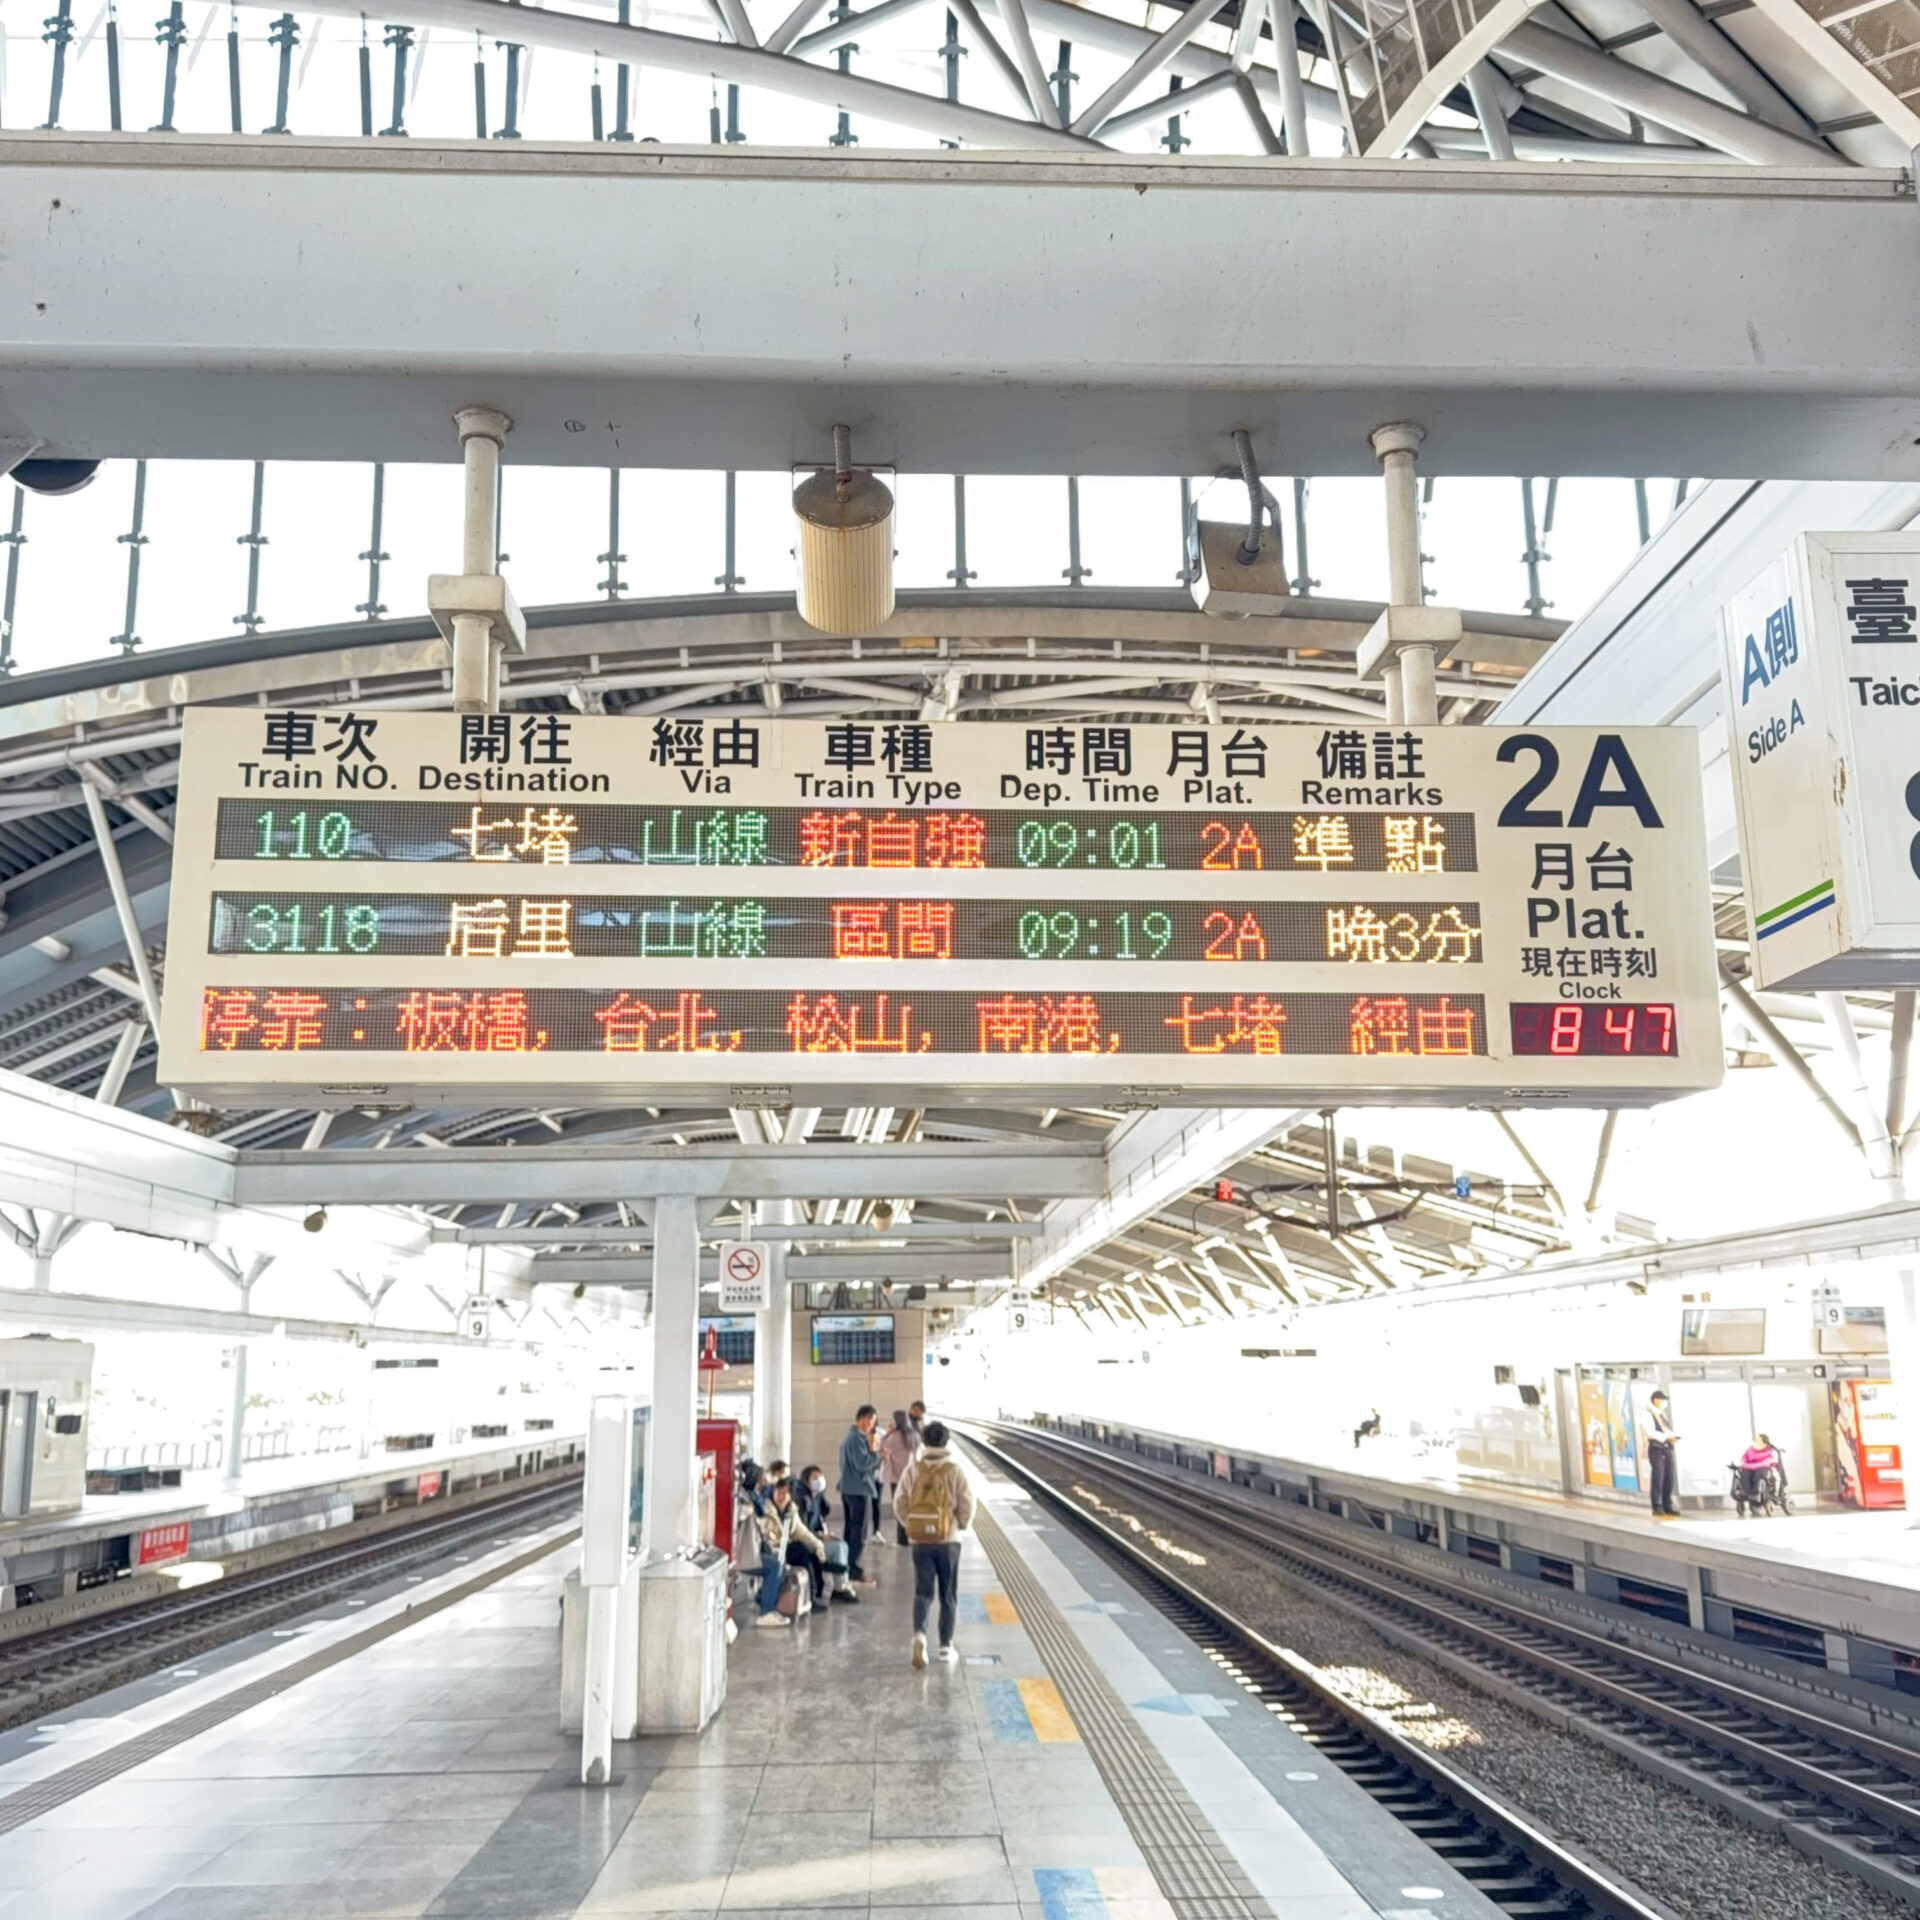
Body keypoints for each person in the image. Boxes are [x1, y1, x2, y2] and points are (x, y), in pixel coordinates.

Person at [894, 1420, 975, 1669]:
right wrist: (960, 1526)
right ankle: (945, 1647)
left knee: (923, 1592)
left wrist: (911, 1525)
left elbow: (900, 1502)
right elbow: (967, 1503)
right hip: (948, 1542)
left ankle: (919, 1634)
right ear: (946, 1442)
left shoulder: (914, 1469)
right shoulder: (954, 1470)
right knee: (948, 1594)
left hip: (920, 1543)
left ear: (925, 1442)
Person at [754, 1475, 826, 1627]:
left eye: (784, 1493)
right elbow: (765, 1534)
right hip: (772, 1549)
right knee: (801, 1550)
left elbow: (801, 1531)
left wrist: (818, 1545)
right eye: (777, 1492)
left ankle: (815, 1594)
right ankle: (811, 1596)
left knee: (809, 1552)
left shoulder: (790, 1511)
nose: (780, 1496)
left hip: (784, 1548)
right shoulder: (766, 1509)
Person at [798, 1464, 859, 1605]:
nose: (819, 1480)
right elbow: (802, 1529)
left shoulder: (818, 1499)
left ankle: (842, 1582)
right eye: (814, 1477)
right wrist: (820, 1536)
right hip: (808, 1541)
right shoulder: (802, 1501)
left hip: (816, 1537)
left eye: (820, 1476)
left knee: (843, 1545)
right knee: (837, 1549)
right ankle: (839, 1588)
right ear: (806, 1481)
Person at [838, 1405, 881, 1586]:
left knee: (851, 1530)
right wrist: (876, 1454)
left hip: (849, 1489)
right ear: (864, 1419)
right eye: (872, 1422)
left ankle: (847, 1566)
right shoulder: (856, 1439)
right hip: (858, 1490)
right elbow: (862, 1464)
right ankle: (853, 1568)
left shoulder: (850, 1437)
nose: (872, 1426)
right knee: (858, 1532)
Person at [880, 1409, 922, 1545]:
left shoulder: (894, 1436)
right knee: (911, 1507)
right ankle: (913, 1535)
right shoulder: (914, 1435)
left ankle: (902, 1539)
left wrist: (888, 1432)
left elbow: (882, 1445)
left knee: (899, 1507)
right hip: (913, 1477)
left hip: (897, 1478)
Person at [1646, 1390, 1681, 1517]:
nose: (1664, 1403)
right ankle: (1657, 1506)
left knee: (1669, 1478)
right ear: (1655, 1400)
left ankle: (1668, 1505)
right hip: (1657, 1448)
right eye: (1662, 1400)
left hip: (1667, 1447)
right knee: (1658, 1477)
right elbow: (1650, 1432)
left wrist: (1672, 1436)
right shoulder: (1648, 1414)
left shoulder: (1661, 1414)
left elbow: (1666, 1429)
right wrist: (1666, 1437)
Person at [1739, 1432, 1781, 1507]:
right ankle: (1745, 1492)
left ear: (1764, 1444)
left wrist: (1745, 1465)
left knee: (1760, 1471)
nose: (1755, 1442)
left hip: (1764, 1472)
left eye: (1758, 1441)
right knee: (1745, 1472)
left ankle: (1756, 1493)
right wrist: (1744, 1463)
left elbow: (1764, 1464)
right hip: (1751, 1470)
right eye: (1755, 1440)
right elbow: (1744, 1458)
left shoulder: (1769, 1453)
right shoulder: (1750, 1450)